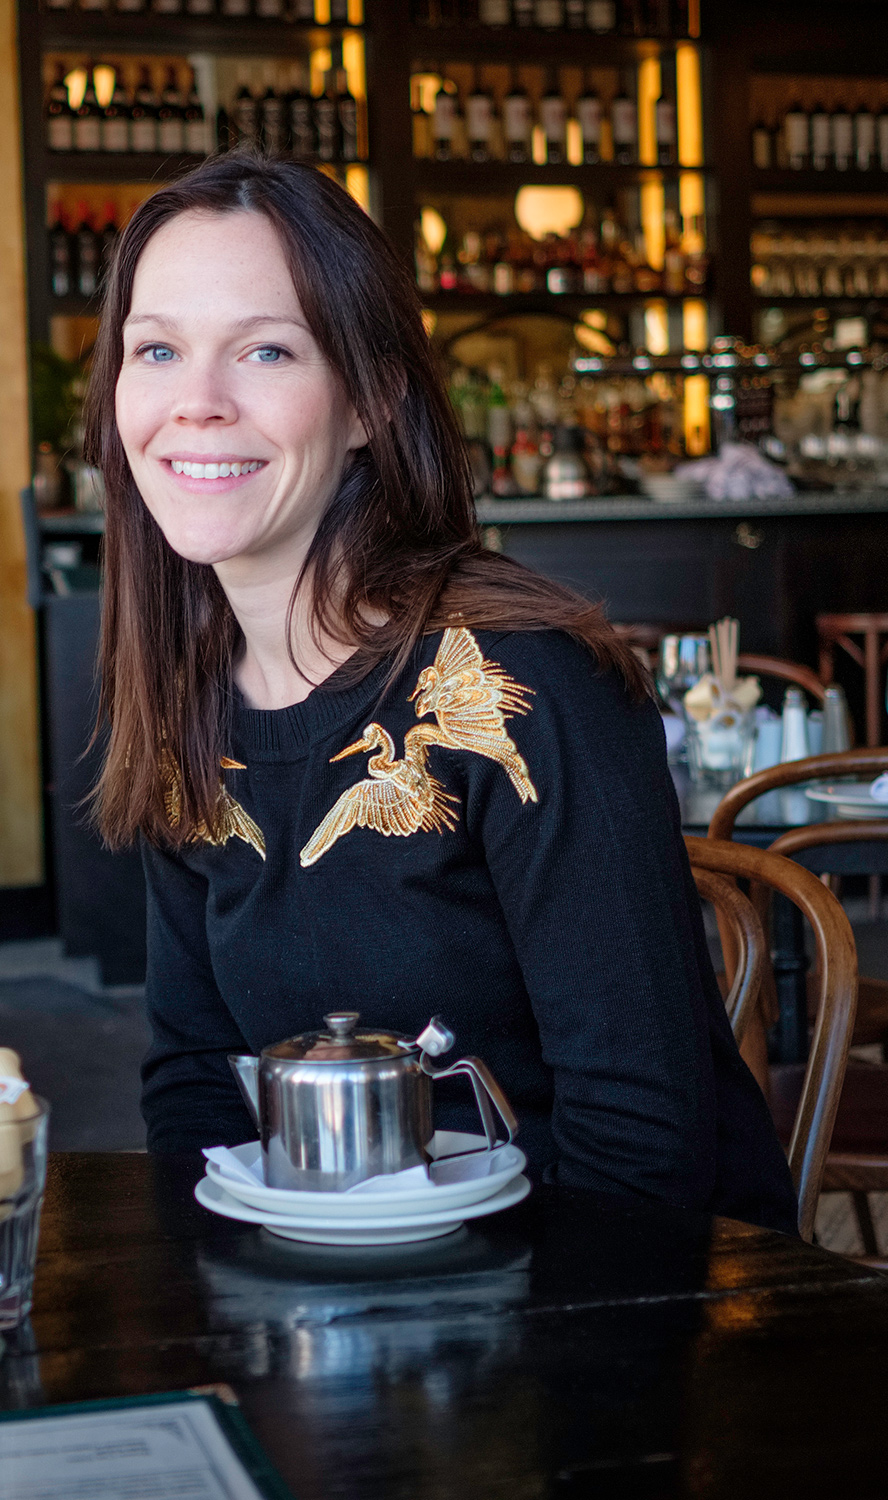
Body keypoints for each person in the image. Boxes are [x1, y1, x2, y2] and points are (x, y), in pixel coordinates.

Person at [89, 150, 795, 1231]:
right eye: (157, 350)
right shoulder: (186, 699)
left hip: (611, 1311)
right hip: (332, 1309)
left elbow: (640, 1141)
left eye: (266, 349)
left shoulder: (517, 683)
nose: (196, 403)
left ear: (368, 399)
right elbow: (194, 1081)